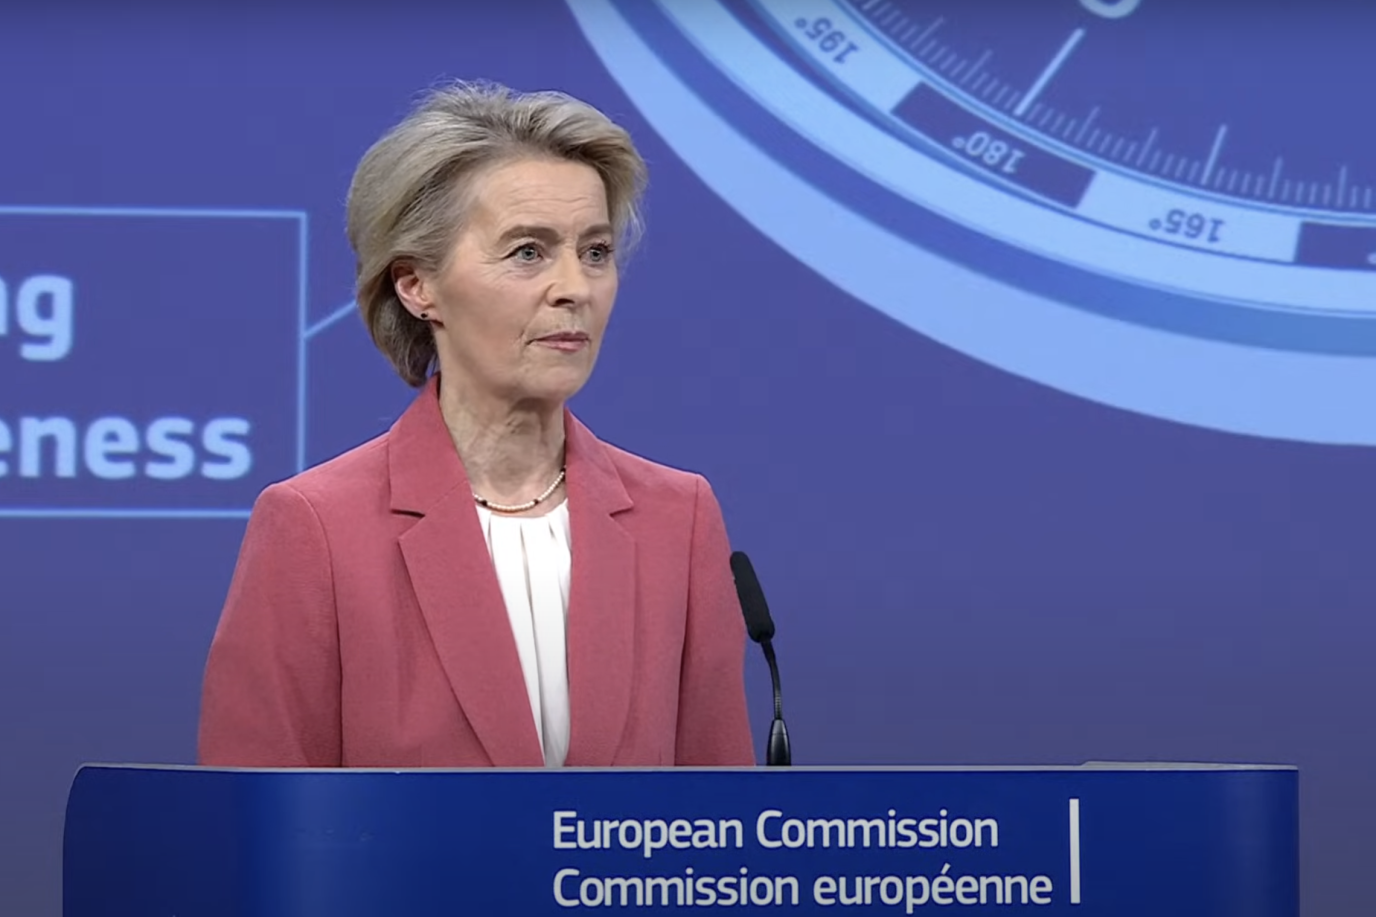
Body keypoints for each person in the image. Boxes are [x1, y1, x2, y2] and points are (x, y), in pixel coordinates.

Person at [196, 81, 756, 768]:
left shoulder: (678, 517)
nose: (574, 288)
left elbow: (716, 814)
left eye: (595, 252)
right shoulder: (316, 528)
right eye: (527, 252)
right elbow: (255, 816)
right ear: (416, 285)